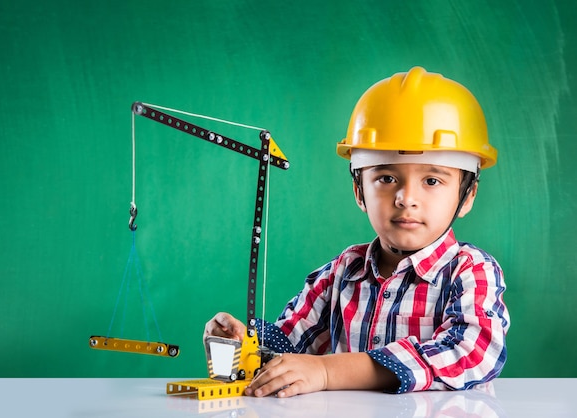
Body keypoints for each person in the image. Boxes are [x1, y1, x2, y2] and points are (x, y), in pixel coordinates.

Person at [204, 66, 510, 397]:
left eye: (432, 181)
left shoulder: (470, 271)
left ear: (467, 196)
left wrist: (326, 370)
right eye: (386, 178)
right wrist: (244, 343)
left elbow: (471, 352)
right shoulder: (342, 272)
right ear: (359, 190)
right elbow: (289, 344)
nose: (406, 198)